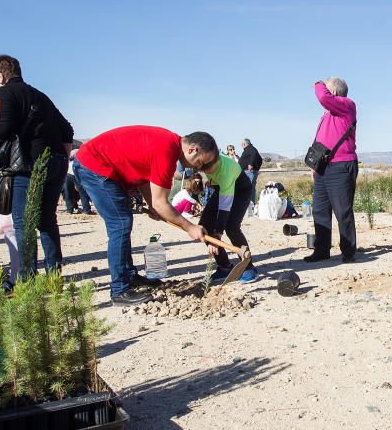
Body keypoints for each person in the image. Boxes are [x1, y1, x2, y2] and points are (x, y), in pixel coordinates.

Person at [75, 126, 216, 305]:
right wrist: (190, 227)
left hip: (98, 163)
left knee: (123, 221)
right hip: (94, 165)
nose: (200, 167)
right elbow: (161, 202)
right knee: (120, 223)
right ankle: (119, 290)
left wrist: (154, 207)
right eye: (201, 162)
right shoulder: (167, 151)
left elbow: (143, 178)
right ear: (192, 149)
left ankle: (129, 276)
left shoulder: (169, 145)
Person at [0, 55, 74, 276]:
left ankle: (26, 280)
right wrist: (58, 157)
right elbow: (67, 130)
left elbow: (2, 129)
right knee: (46, 219)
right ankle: (54, 276)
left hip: (29, 166)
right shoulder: (40, 95)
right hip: (56, 164)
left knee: (23, 223)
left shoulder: (4, 92)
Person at [304, 77, 359, 263]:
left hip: (341, 166)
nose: (324, 91)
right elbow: (321, 138)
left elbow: (322, 97)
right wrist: (314, 165)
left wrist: (318, 84)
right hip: (324, 166)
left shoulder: (347, 105)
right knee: (320, 210)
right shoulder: (328, 115)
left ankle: (348, 252)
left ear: (333, 92)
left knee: (342, 211)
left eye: (327, 89)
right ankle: (321, 250)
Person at [199, 153, 258, 283]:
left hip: (241, 190)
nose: (206, 171)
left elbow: (224, 208)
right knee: (204, 226)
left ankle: (249, 267)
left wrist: (217, 236)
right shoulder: (203, 159)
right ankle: (224, 266)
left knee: (231, 227)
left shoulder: (224, 172)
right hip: (221, 188)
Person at [63, 149, 93, 214]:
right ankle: (86, 210)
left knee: (68, 192)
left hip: (70, 173)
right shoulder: (81, 154)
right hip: (75, 173)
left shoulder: (74, 154)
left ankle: (70, 210)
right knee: (82, 192)